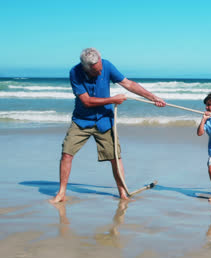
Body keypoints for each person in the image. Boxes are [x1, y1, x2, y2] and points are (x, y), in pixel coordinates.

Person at [50, 48, 166, 203]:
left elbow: (128, 83)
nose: (100, 73)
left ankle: (123, 193)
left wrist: (153, 97)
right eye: (96, 72)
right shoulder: (75, 72)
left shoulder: (106, 65)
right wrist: (112, 100)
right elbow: (87, 101)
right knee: (66, 154)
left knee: (115, 158)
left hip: (105, 120)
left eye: (100, 70)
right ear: (86, 67)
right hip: (82, 120)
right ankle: (61, 193)